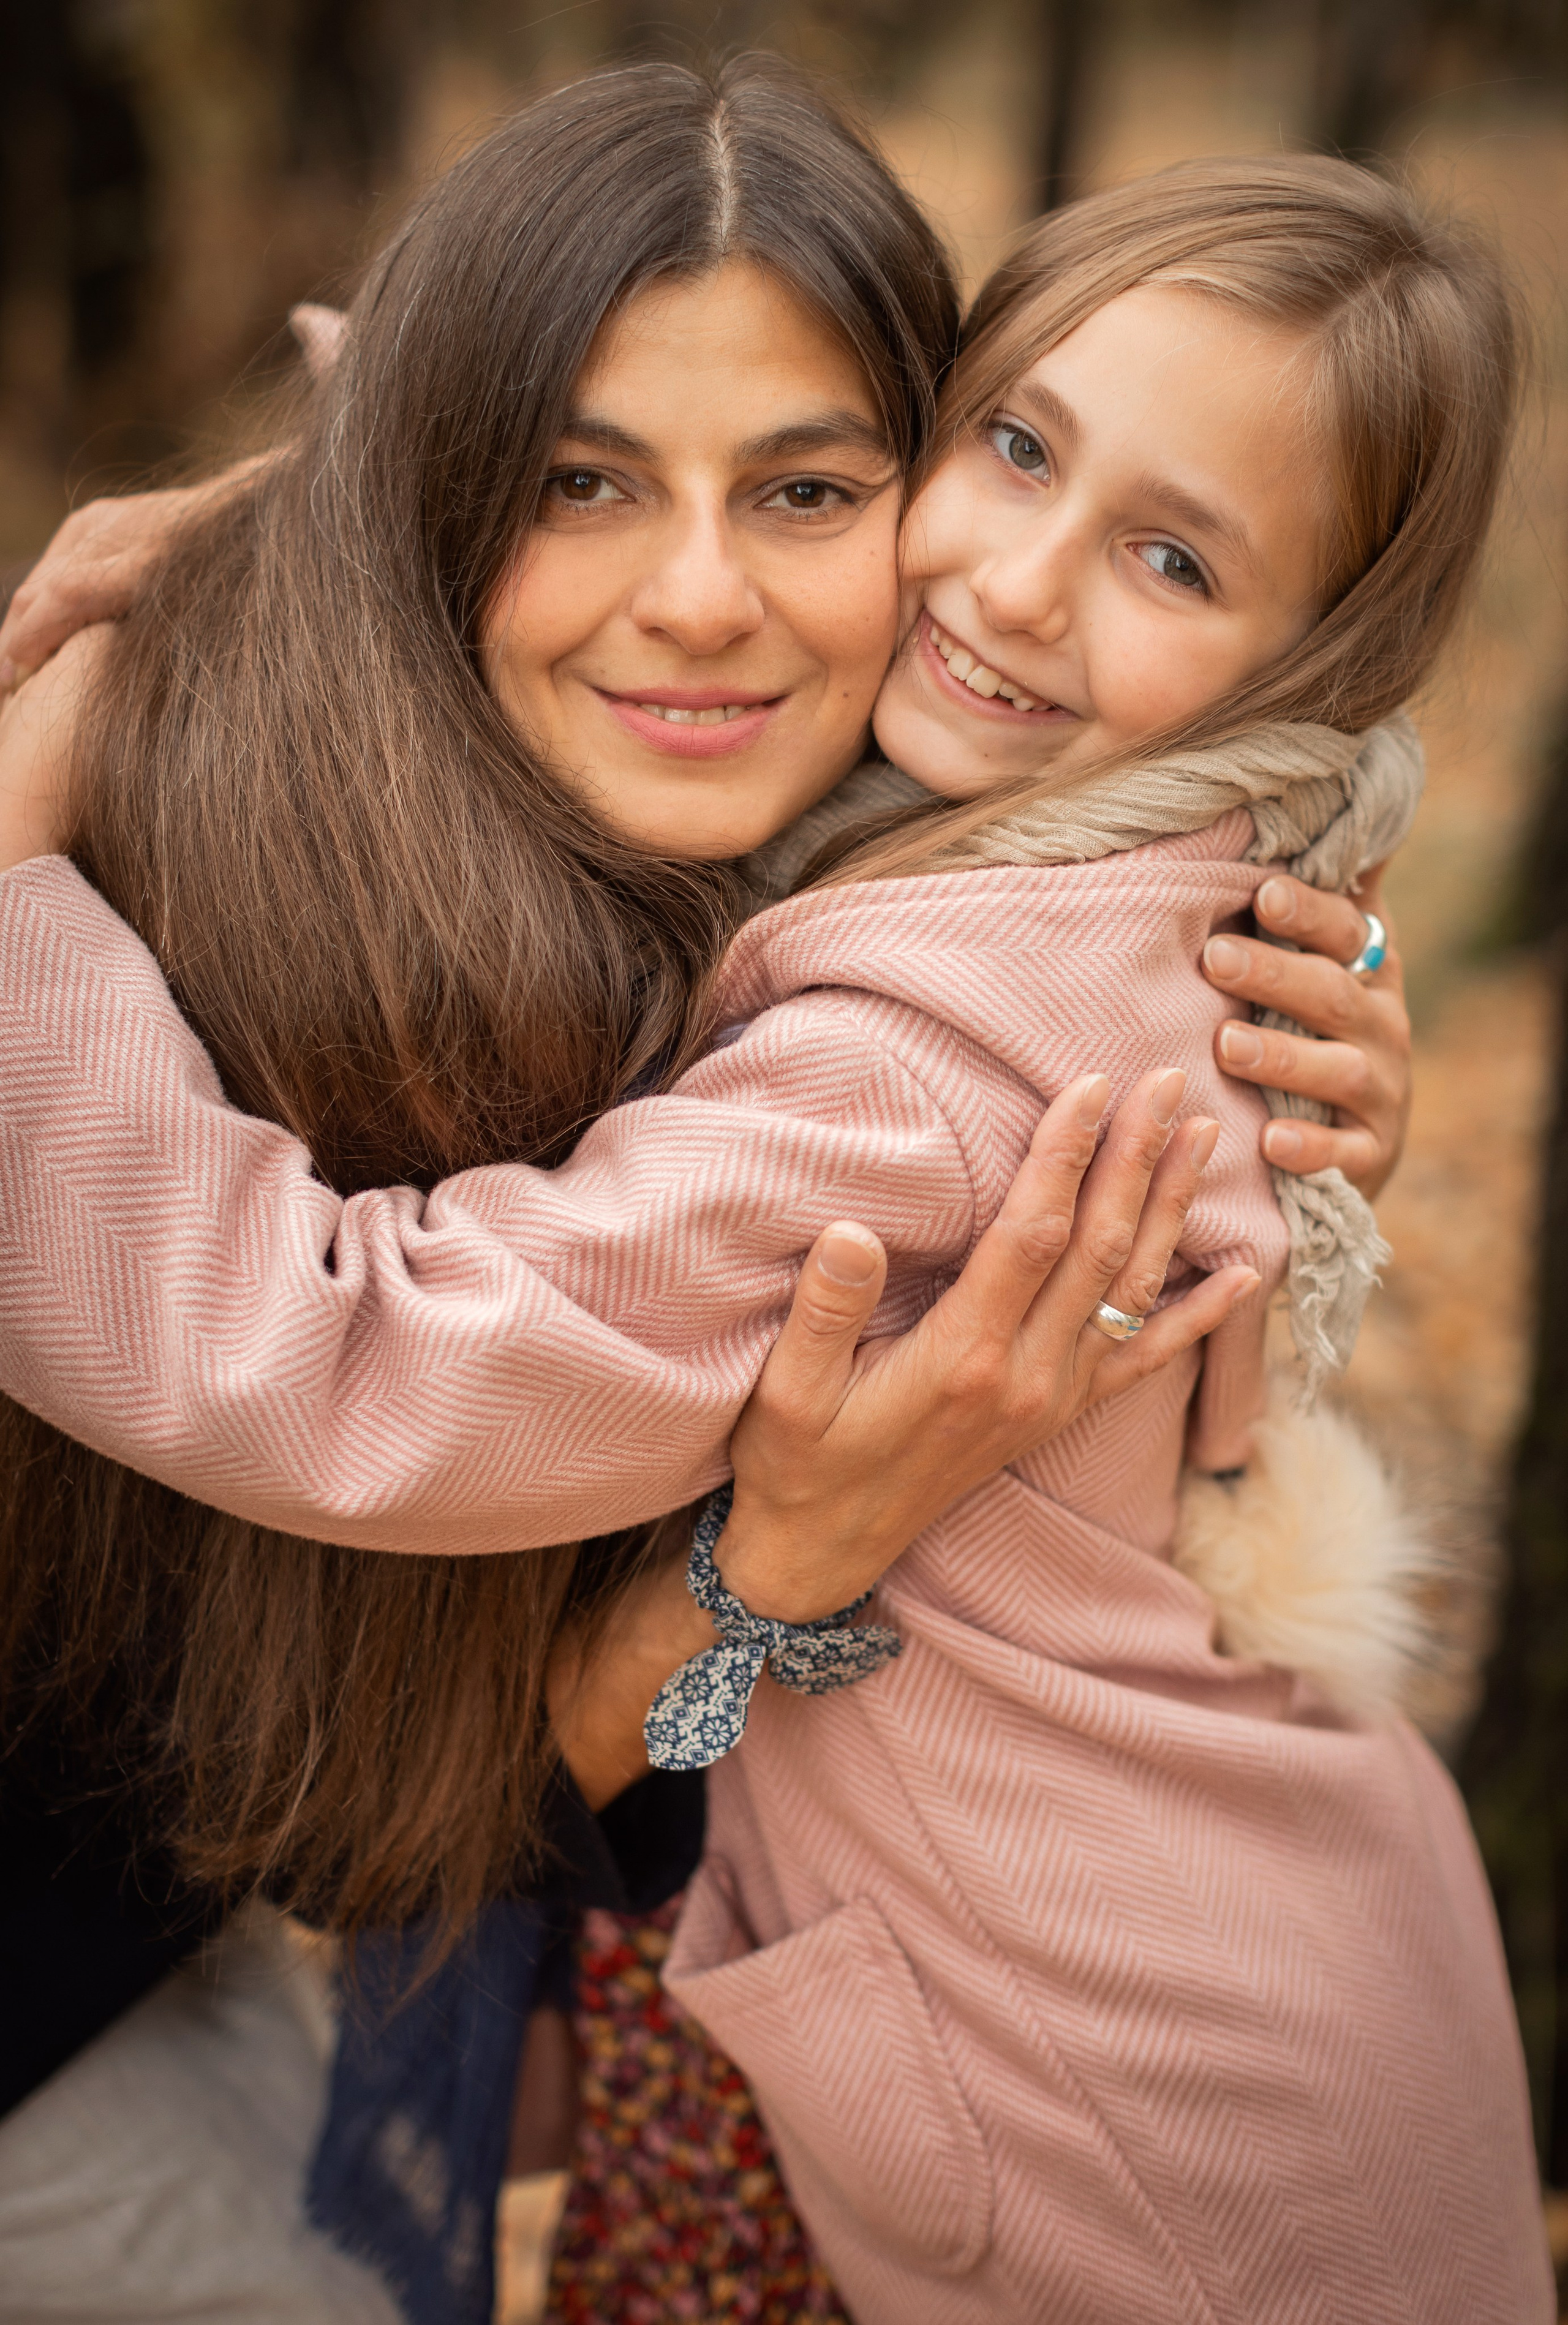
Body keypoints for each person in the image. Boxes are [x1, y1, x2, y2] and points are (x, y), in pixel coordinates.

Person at [0, 69, 1449, 2325]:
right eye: (579, 479)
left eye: (803, 485)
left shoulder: (918, 969)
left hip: (1077, 2087)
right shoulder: (334, 927)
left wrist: (1321, 977)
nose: (698, 599)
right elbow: (326, 1777)